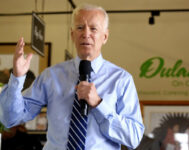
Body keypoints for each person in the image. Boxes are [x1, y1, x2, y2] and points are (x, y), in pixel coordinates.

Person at [0, 3, 144, 150]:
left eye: (93, 28)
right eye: (80, 27)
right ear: (72, 34)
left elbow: (133, 138)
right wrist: (17, 78)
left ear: (105, 36)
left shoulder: (121, 80)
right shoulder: (51, 76)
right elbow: (10, 119)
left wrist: (99, 104)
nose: (86, 34)